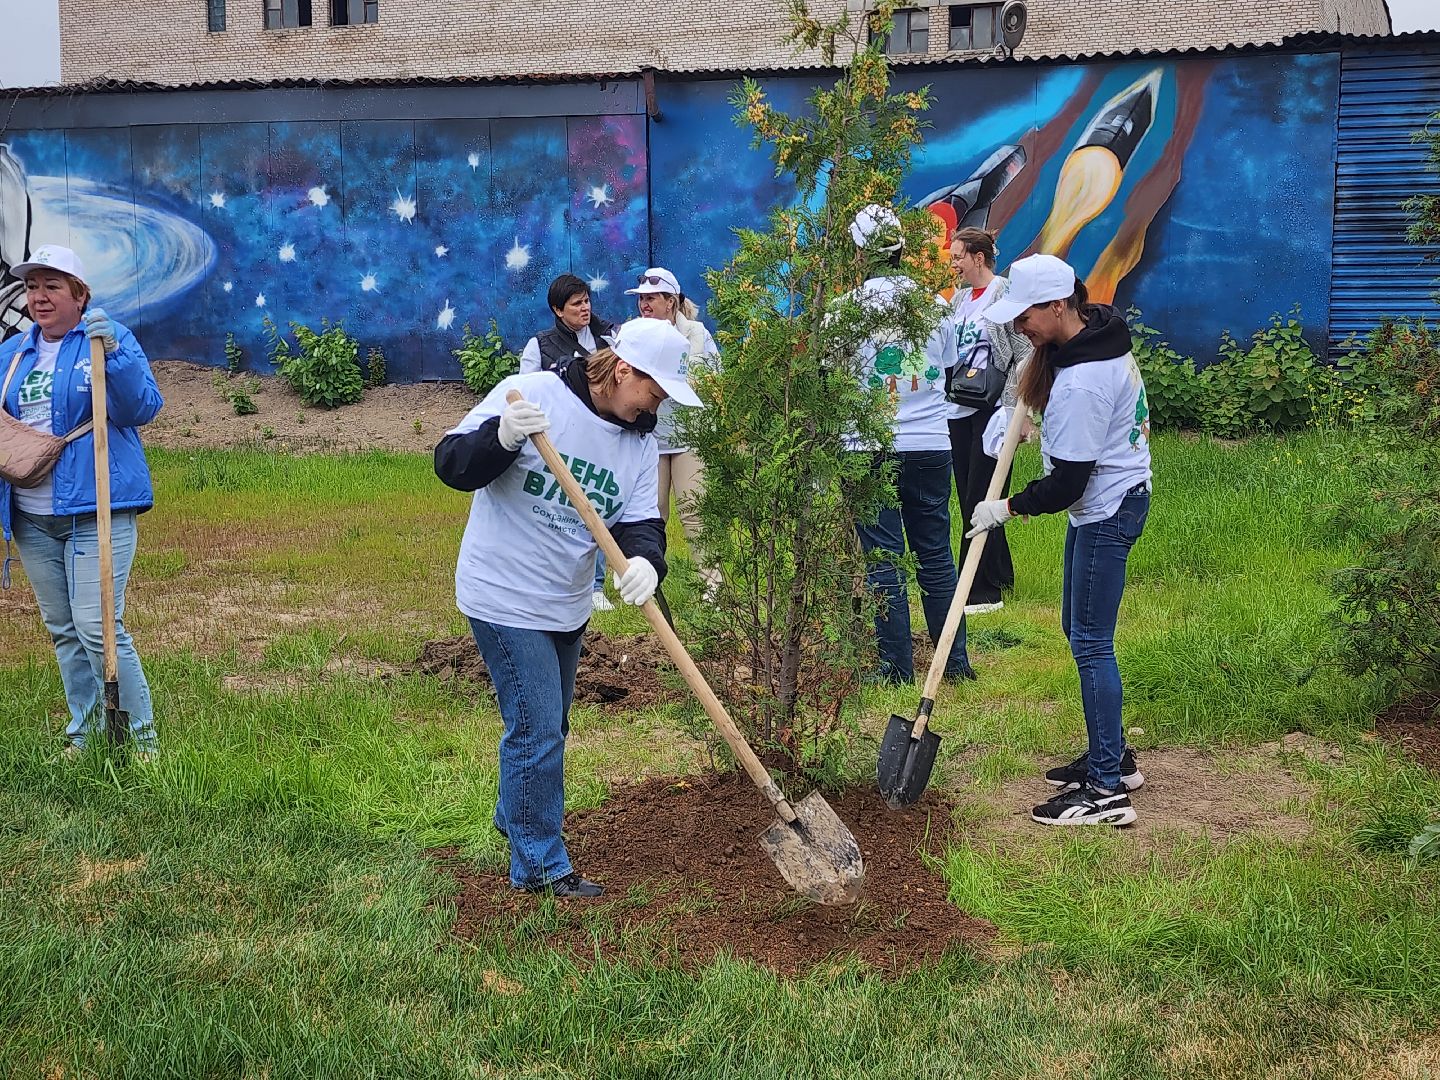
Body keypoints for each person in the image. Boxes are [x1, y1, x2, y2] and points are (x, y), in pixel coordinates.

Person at [434, 318, 699, 898]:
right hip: (503, 592)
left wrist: (646, 561)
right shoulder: (534, 396)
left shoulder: (639, 443)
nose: (654, 407)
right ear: (623, 371)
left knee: (549, 725)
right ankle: (540, 866)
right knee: (536, 730)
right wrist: (501, 437)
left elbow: (641, 522)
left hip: (566, 600)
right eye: (654, 393)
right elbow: (451, 464)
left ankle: (517, 812)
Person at [967, 253, 1151, 827]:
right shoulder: (1089, 336)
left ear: (1056, 306)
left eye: (1025, 317)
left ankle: (1106, 792)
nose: (1020, 327)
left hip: (1105, 509)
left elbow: (1069, 484)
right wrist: (1019, 419)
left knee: (1092, 642)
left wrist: (1005, 508)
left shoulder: (1084, 382)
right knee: (1079, 629)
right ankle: (1113, 757)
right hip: (1107, 503)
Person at [1, 244, 164, 759]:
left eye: (53, 286)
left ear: (80, 295)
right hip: (31, 516)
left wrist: (114, 354)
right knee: (64, 631)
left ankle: (141, 742)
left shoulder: (105, 340)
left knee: (97, 628)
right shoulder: (12, 353)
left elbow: (141, 407)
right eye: (32, 287)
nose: (39, 297)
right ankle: (86, 733)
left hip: (96, 509)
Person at [844, 205, 974, 685]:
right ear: (900, 249)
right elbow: (948, 368)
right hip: (930, 443)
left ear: (860, 254)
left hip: (866, 446)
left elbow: (833, 382)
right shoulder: (935, 306)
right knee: (935, 554)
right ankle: (954, 664)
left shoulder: (844, 311)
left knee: (883, 559)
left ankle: (896, 669)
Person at [518, 273, 620, 609]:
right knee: (562, 512)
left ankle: (597, 585)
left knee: (597, 508)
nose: (584, 308)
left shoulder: (611, 337)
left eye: (587, 301)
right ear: (557, 310)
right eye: (576, 304)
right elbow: (526, 392)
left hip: (603, 436)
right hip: (561, 439)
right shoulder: (540, 346)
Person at [946, 227, 1032, 614]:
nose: (953, 263)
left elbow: (1026, 353)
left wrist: (1019, 410)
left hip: (994, 410)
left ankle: (980, 592)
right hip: (958, 408)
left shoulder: (1004, 294)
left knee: (982, 497)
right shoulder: (959, 299)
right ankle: (1000, 574)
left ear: (978, 258)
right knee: (969, 494)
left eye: (958, 256)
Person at [623, 267, 719, 591]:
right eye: (642, 299)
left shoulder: (697, 335)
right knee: (650, 513)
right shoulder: (633, 333)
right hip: (647, 437)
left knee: (695, 509)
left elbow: (712, 382)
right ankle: (645, 581)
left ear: (671, 302)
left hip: (688, 436)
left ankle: (712, 585)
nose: (644, 304)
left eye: (651, 298)